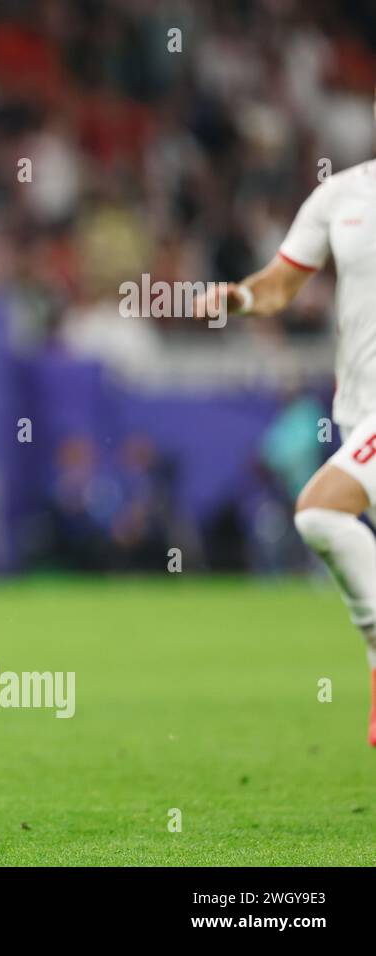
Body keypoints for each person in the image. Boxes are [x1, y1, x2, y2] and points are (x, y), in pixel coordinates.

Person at [201, 110, 376, 744]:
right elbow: (278, 288)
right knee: (324, 517)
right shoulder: (339, 196)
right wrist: (237, 298)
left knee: (319, 512)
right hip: (357, 414)